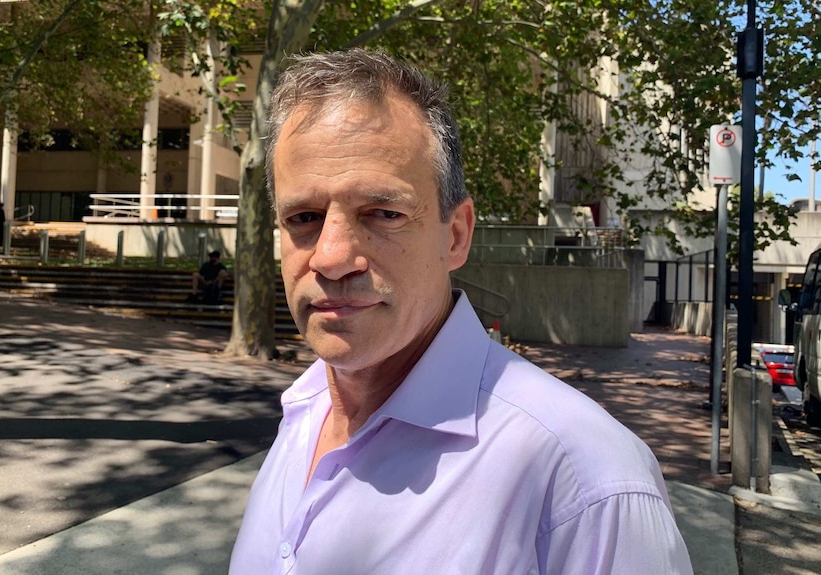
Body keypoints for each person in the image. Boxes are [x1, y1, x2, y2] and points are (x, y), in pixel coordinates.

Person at [229, 49, 692, 574]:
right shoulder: (304, 410)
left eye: (383, 213)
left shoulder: (588, 480)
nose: (331, 257)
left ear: (456, 235)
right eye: (304, 217)